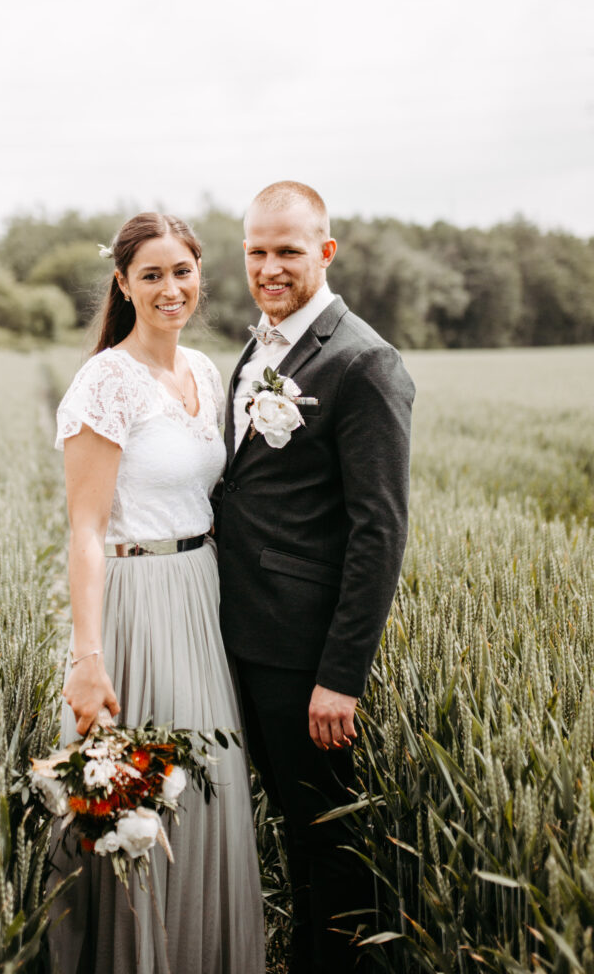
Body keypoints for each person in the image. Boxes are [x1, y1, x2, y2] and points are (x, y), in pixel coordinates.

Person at [46, 212, 265, 974]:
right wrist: (88, 656)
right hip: (137, 603)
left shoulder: (205, 371)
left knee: (209, 794)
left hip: (201, 597)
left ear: (199, 273)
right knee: (151, 793)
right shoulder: (105, 381)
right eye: (151, 275)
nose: (171, 288)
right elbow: (84, 530)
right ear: (123, 283)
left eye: (182, 271)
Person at [215, 181, 415, 973]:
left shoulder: (364, 361)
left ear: (324, 252)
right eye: (258, 251)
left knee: (330, 843)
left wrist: (342, 677)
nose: (270, 266)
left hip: (305, 654)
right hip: (242, 633)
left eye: (288, 250)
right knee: (295, 835)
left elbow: (380, 531)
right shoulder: (260, 346)